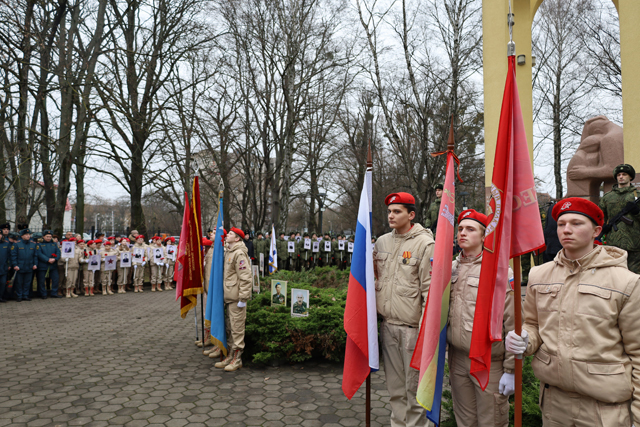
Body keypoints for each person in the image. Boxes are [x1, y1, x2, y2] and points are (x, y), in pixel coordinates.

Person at [505, 197, 640, 426]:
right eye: (561, 224)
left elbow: (637, 354)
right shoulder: (539, 275)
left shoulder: (626, 282)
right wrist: (526, 339)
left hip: (605, 410)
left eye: (576, 223)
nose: (566, 230)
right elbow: (534, 325)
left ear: (597, 230)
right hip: (554, 405)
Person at [447, 209, 514, 427]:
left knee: (491, 421)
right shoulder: (452, 268)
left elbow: (513, 323)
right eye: (460, 229)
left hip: (488, 362)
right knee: (465, 421)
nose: (462, 233)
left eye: (470, 229)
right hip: (457, 359)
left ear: (484, 236)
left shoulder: (500, 271)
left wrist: (511, 370)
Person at [374, 192, 434, 427]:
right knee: (396, 391)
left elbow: (430, 291)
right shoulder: (382, 242)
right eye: (389, 211)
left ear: (411, 215)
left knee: (416, 393)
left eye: (397, 211)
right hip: (388, 327)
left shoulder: (425, 244)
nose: (391, 215)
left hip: (413, 331)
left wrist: (425, 333)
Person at [212, 227, 252, 371]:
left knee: (237, 329)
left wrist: (243, 297)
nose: (226, 235)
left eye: (230, 234)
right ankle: (230, 355)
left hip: (236, 298)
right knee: (229, 328)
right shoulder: (230, 251)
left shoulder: (239, 253)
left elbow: (246, 277)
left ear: (237, 239)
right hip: (229, 297)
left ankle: (237, 358)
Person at [598, 163, 640, 273]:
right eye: (619, 175)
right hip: (614, 244)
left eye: (624, 174)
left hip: (635, 243)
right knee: (616, 275)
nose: (621, 176)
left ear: (630, 177)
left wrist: (637, 212)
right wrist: (603, 227)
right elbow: (599, 217)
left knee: (635, 276)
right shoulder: (607, 197)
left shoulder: (637, 195)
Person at [11, 229, 38, 302]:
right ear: (22, 236)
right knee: (19, 282)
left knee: (27, 282)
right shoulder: (17, 244)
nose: (28, 236)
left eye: (29, 234)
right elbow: (13, 256)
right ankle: (19, 295)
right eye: (26, 235)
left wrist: (35, 264)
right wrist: (15, 265)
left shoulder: (33, 244)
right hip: (19, 267)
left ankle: (25, 295)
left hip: (29, 266)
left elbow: (35, 255)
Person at [35, 230, 62, 299]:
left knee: (55, 279)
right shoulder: (39, 245)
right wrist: (47, 259)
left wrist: (55, 259)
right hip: (43, 265)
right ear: (43, 237)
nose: (49, 238)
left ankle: (54, 293)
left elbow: (58, 252)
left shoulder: (54, 244)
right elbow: (39, 254)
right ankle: (43, 294)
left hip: (53, 265)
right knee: (41, 280)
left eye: (50, 237)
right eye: (47, 236)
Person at [0, 233, 10, 302]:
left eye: (0, 234)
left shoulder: (6, 244)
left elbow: (9, 255)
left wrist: (9, 265)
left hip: (3, 268)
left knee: (3, 283)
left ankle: (0, 297)